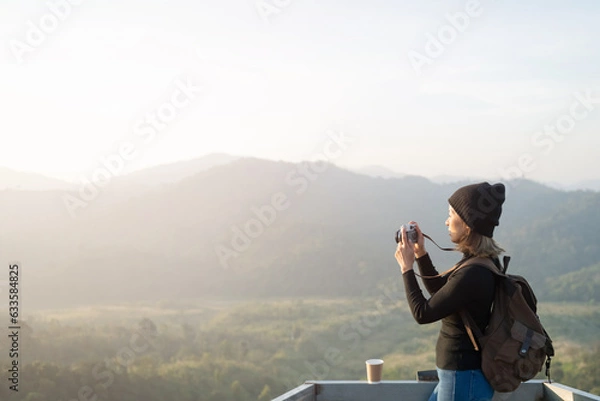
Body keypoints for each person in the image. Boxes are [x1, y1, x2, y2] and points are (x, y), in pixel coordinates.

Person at [394, 182, 506, 401]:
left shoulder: (473, 273)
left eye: (451, 214)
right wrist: (420, 254)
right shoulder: (481, 263)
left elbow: (423, 313)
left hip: (463, 376)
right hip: (459, 375)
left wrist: (407, 269)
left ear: (467, 225)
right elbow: (442, 292)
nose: (446, 221)